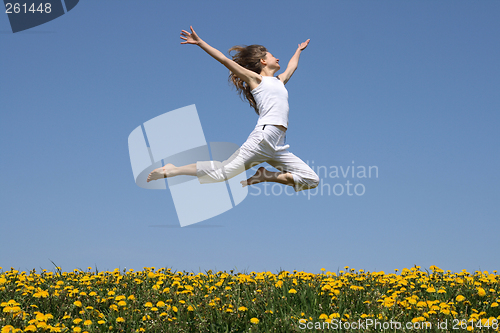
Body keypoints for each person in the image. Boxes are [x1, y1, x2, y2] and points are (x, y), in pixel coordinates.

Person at [147, 26, 319, 192]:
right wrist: (200, 43)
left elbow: (292, 67)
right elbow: (224, 59)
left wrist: (299, 50)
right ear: (263, 61)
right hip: (263, 138)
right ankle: (172, 170)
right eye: (274, 56)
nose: (278, 59)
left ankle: (265, 175)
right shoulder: (256, 80)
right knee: (221, 173)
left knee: (312, 180)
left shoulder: (279, 81)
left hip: (278, 144)